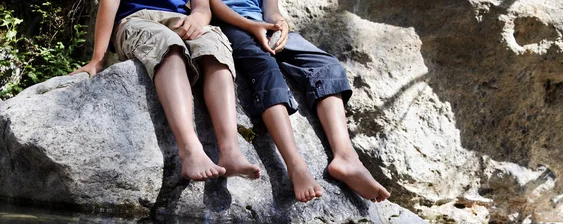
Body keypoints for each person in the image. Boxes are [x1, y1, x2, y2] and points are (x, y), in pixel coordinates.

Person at [208, 0, 391, 203]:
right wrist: (251, 26)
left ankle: (346, 156)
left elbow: (271, 11)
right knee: (268, 71)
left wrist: (279, 24)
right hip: (230, 26)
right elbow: (212, 5)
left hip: (263, 27)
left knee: (328, 66)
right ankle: (296, 166)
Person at [71, 0, 261, 181]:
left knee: (214, 49)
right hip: (136, 19)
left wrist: (197, 17)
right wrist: (98, 59)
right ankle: (190, 150)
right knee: (169, 47)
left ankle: (231, 151)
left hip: (181, 19)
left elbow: (202, 7)